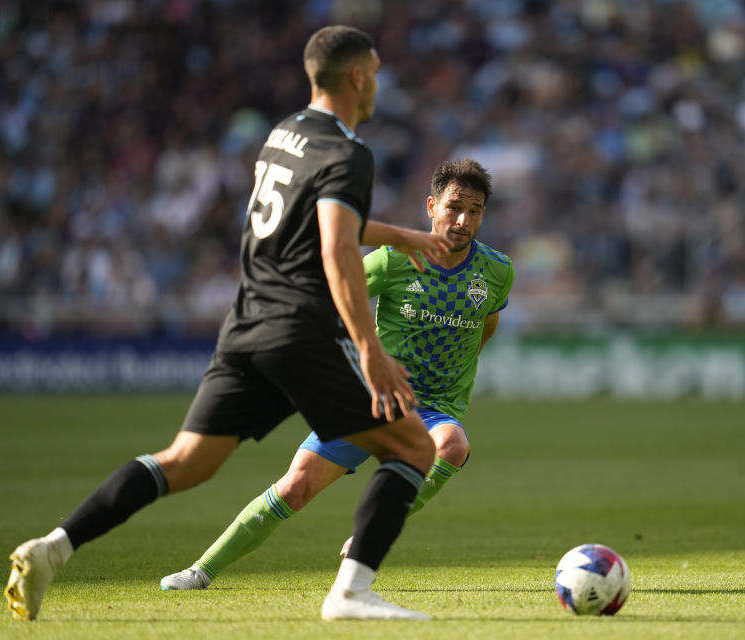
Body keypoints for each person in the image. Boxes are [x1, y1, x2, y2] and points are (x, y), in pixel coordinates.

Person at [4, 25, 455, 622]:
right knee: (414, 446)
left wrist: (398, 234)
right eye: (374, 71)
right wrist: (368, 349)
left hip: (246, 324)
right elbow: (336, 250)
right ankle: (351, 593)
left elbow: (314, 222)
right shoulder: (349, 153)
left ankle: (53, 548)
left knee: (187, 461)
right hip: (301, 328)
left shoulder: (285, 135)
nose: (378, 83)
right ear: (357, 77)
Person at [159, 158, 513, 591]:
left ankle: (373, 530)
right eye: (454, 207)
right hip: (371, 400)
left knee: (452, 445)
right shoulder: (392, 260)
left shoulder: (497, 271)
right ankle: (201, 571)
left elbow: (486, 322)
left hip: (433, 409)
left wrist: (456, 367)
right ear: (431, 206)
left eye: (474, 211)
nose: (463, 220)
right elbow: (333, 300)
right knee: (295, 489)